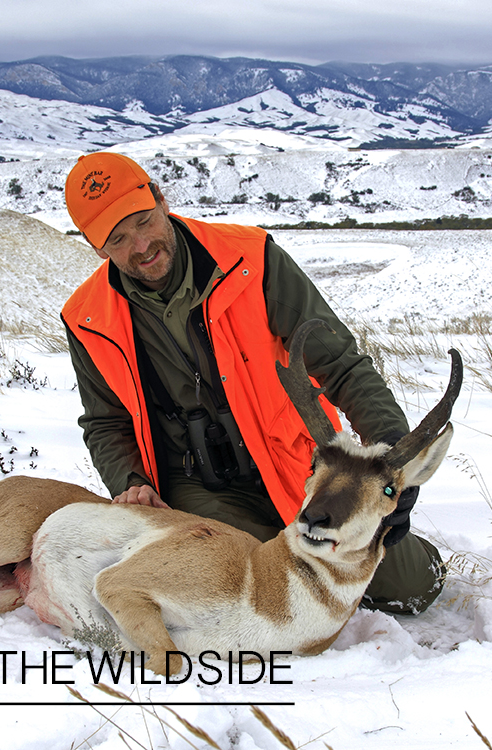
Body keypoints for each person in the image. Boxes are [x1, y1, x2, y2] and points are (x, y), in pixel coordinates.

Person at [60, 151, 444, 614]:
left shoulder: (251, 258)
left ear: (162, 199)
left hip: (297, 465)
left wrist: (391, 450)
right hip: (197, 488)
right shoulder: (86, 318)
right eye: (118, 239)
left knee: (412, 587)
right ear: (95, 246)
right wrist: (131, 481)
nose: (141, 247)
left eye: (144, 222)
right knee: (265, 584)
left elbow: (342, 364)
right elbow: (105, 423)